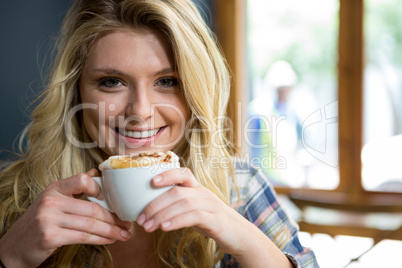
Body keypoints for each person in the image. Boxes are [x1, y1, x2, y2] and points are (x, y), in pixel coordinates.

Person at [0, 0, 319, 267]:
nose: (140, 111)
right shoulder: (17, 196)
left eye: (167, 81)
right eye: (112, 81)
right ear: (75, 92)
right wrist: (8, 256)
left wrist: (247, 242)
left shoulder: (240, 187)